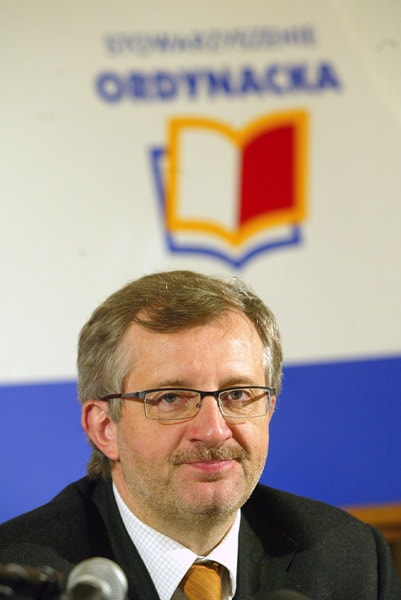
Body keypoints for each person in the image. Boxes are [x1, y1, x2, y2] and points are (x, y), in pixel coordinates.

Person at [0, 270, 400, 600]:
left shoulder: (350, 559)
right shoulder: (22, 579)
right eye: (171, 398)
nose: (213, 430)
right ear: (105, 428)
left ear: (269, 408)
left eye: (238, 394)